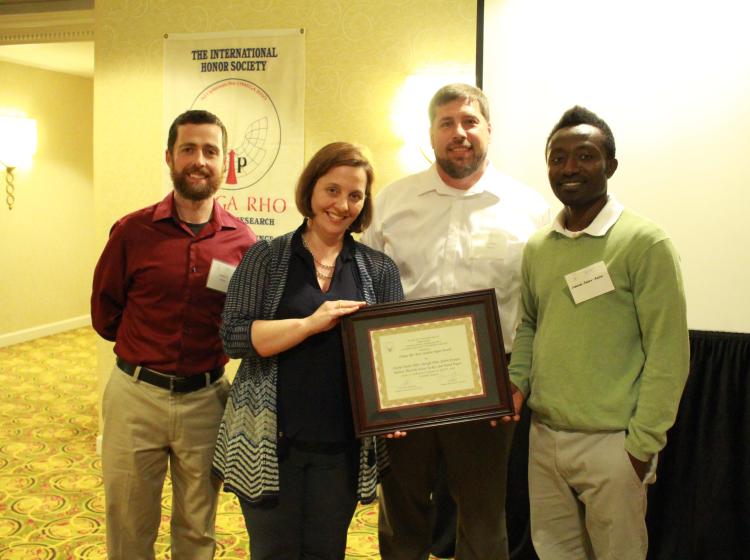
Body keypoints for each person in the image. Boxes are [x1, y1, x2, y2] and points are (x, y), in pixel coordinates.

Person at [361, 83, 549, 560]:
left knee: (485, 517)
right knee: (401, 510)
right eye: (447, 123)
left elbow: (534, 307)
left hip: (489, 384)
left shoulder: (528, 209)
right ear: (431, 133)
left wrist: (519, 382)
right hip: (404, 385)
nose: (458, 133)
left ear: (489, 130)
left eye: (469, 122)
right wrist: (377, 396)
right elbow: (365, 294)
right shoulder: (392, 202)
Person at [507, 106, 690, 559]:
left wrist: (642, 446)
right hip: (545, 436)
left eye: (585, 156)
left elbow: (668, 351)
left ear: (610, 165)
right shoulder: (537, 246)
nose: (569, 168)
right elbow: (530, 322)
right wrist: (517, 383)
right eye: (558, 157)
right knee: (555, 552)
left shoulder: (646, 243)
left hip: (614, 443)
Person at [212, 142, 404, 560]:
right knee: (271, 552)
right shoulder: (266, 257)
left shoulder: (378, 269)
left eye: (355, 195)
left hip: (341, 448)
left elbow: (393, 354)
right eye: (332, 190)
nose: (343, 204)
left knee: (326, 551)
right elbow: (235, 338)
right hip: (269, 441)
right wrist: (309, 324)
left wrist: (401, 406)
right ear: (311, 191)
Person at [91, 109, 256, 560]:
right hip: (134, 398)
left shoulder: (244, 243)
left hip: (206, 401)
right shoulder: (132, 231)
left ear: (226, 164)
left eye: (210, 151)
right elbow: (105, 314)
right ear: (169, 157)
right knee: (128, 524)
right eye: (188, 149)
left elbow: (244, 323)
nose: (198, 160)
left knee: (198, 528)